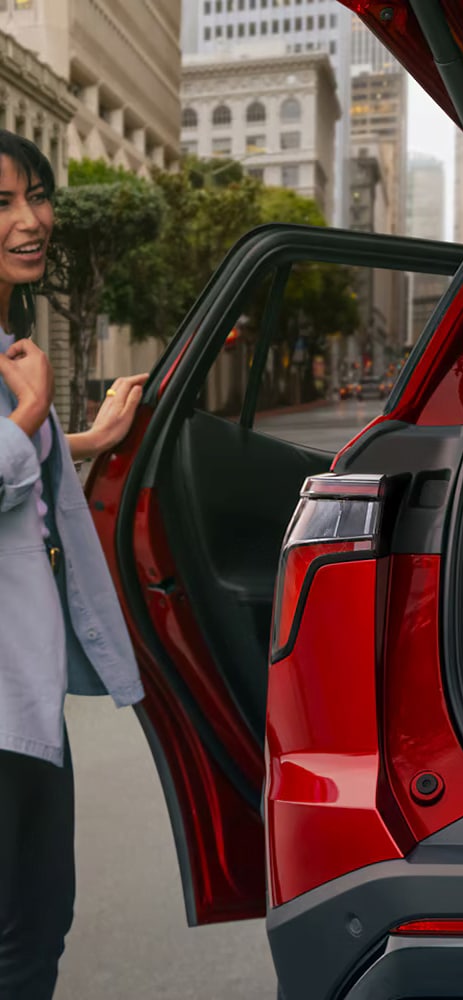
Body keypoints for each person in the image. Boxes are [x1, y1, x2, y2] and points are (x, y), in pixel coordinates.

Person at [0, 131, 149, 1000]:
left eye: (38, 195)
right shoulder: (20, 373)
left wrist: (84, 436)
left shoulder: (9, 341)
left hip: (25, 692)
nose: (31, 221)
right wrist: (26, 413)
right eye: (3, 204)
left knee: (41, 915)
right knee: (19, 932)